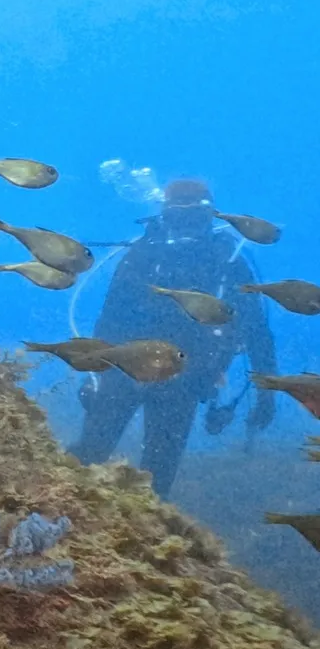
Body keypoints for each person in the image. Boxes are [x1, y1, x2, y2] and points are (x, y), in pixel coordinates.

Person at [71, 177, 277, 497]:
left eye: (195, 216)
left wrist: (268, 392)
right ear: (165, 215)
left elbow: (256, 330)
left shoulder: (229, 261)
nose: (188, 225)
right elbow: (110, 319)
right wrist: (94, 374)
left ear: (211, 216)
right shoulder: (143, 253)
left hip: (185, 379)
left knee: (156, 478)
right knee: (89, 454)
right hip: (125, 372)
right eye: (180, 216)